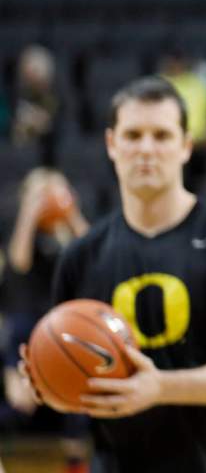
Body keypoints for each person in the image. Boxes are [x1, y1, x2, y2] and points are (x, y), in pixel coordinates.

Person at [19, 77, 206, 472]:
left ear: (185, 146)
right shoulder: (81, 256)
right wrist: (47, 378)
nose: (146, 149)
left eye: (161, 135)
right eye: (133, 135)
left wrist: (161, 387)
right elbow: (77, 377)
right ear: (112, 144)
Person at [3, 169, 90, 473]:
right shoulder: (20, 234)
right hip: (25, 331)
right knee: (18, 402)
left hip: (65, 329)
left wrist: (70, 211)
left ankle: (76, 461)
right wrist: (30, 212)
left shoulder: (69, 236)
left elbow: (93, 254)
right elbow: (19, 262)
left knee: (76, 392)